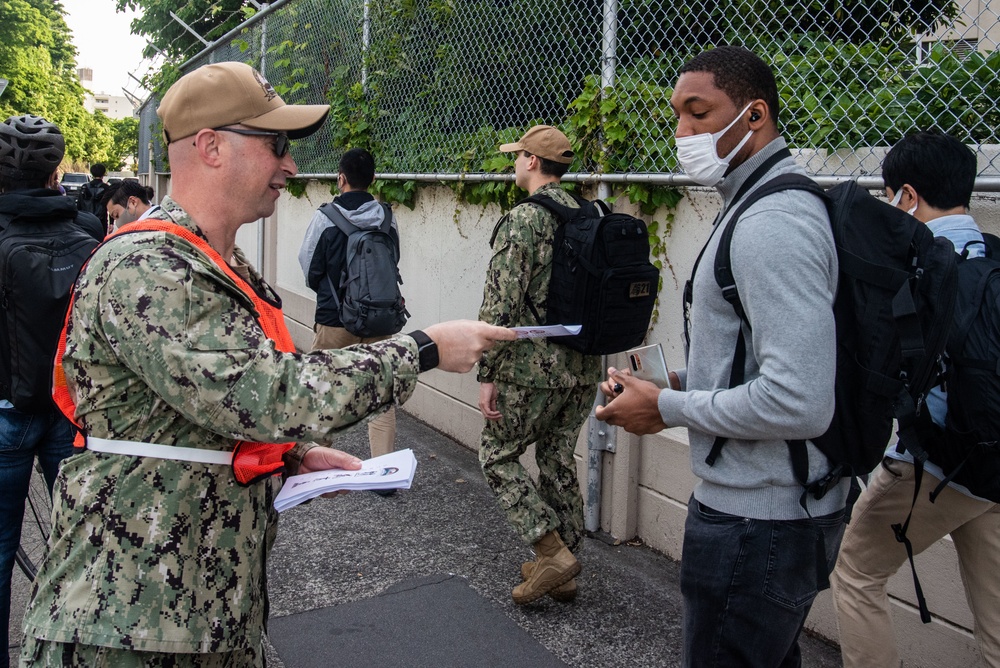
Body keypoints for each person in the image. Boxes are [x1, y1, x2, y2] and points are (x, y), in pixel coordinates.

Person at [18, 60, 514, 666]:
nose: (290, 165)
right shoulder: (149, 267)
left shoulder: (211, 262)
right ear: (210, 147)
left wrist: (294, 456)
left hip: (202, 612)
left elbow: (207, 407)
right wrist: (426, 349)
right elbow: (269, 394)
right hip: (130, 622)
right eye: (276, 144)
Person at [595, 46, 847, 665]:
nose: (681, 133)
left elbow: (800, 400)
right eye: (676, 115)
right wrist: (674, 382)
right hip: (760, 517)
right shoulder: (752, 206)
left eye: (698, 113)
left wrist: (671, 405)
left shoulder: (771, 224)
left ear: (754, 114)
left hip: (758, 525)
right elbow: (763, 363)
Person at [830, 131, 1000, 667]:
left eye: (889, 195)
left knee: (855, 573)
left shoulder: (924, 264)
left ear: (906, 194)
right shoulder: (992, 255)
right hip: (993, 460)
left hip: (936, 466)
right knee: (996, 615)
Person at [476, 125, 601, 605]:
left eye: (517, 156)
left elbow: (501, 305)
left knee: (496, 455)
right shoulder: (589, 214)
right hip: (584, 365)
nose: (514, 163)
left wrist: (486, 373)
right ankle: (566, 571)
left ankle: (550, 551)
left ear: (531, 161)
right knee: (555, 457)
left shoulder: (523, 220)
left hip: (533, 369)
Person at [0, 114, 103, 668]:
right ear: (55, 172)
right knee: (79, 550)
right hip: (71, 409)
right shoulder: (88, 233)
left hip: (6, 410)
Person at [298, 148, 401, 472]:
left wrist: (333, 295)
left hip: (334, 318)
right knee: (381, 391)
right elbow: (392, 261)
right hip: (379, 317)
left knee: (321, 387)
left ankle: (316, 461)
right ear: (373, 179)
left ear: (340, 177)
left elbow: (309, 266)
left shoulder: (325, 216)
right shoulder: (386, 216)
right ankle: (382, 470)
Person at [77, 162, 109, 230]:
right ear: (103, 174)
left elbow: (79, 205)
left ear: (92, 173)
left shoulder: (85, 187)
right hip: (101, 220)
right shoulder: (106, 187)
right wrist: (111, 222)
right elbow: (110, 204)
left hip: (86, 220)